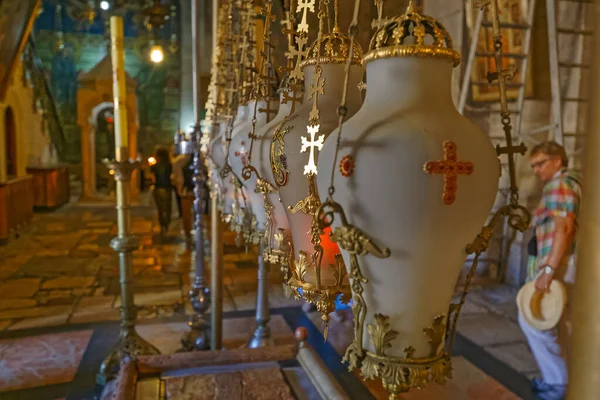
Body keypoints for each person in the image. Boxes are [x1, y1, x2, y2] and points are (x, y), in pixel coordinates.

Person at [519, 141, 581, 400]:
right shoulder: (574, 181)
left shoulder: (559, 185)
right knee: (562, 322)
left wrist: (547, 270)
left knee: (533, 318)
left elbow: (563, 228)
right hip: (569, 263)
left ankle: (557, 384)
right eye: (533, 165)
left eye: (540, 163)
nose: (536, 170)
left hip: (559, 265)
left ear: (558, 160)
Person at [150, 147, 173, 236]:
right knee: (168, 208)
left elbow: (153, 179)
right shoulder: (169, 165)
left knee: (160, 209)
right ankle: (166, 224)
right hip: (167, 188)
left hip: (158, 188)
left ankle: (162, 225)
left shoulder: (154, 166)